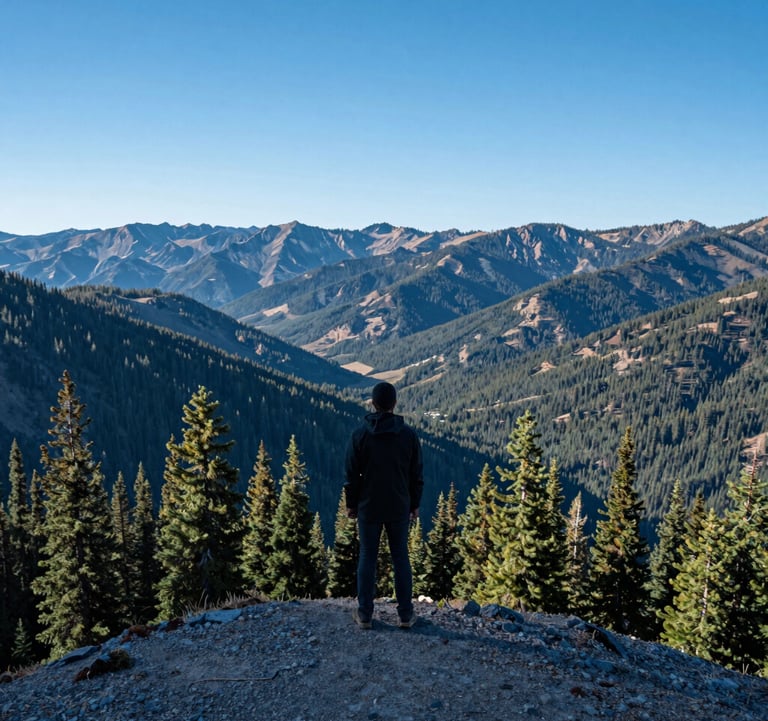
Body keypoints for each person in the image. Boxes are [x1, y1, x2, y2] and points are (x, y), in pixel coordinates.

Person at [344, 381, 423, 629]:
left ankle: (365, 614)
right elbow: (416, 474)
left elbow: (351, 474)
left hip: (369, 506)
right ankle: (405, 614)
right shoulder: (408, 435)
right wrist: (415, 504)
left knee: (367, 557)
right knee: (400, 557)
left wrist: (351, 504)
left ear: (373, 403)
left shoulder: (360, 435)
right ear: (394, 404)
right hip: (399, 504)